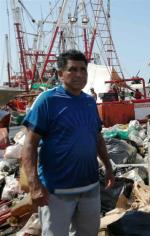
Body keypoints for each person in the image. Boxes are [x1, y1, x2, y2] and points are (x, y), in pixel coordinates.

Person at [21, 49, 115, 236]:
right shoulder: (47, 101)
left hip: (90, 186)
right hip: (56, 191)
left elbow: (97, 137)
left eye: (83, 69)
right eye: (72, 69)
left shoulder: (89, 102)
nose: (79, 74)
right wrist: (34, 185)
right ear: (60, 74)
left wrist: (108, 167)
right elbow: (30, 145)